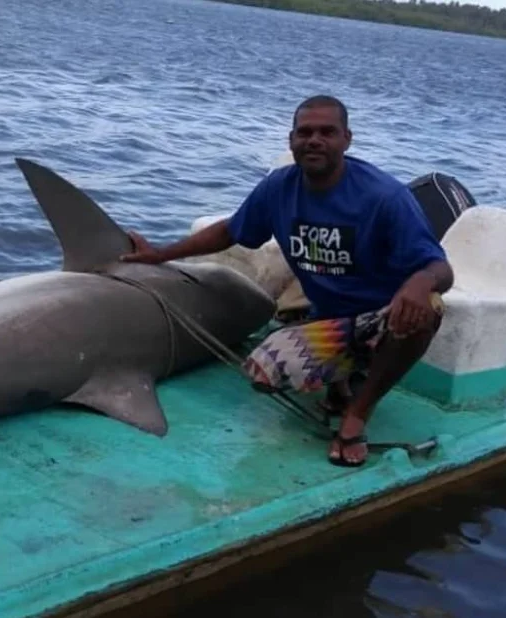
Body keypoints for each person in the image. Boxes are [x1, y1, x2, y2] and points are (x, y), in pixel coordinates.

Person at [120, 94, 453, 467]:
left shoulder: (384, 196)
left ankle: (357, 414)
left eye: (327, 132)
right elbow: (230, 231)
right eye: (304, 132)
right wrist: (160, 255)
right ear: (290, 140)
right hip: (330, 319)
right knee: (263, 373)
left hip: (383, 317)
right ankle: (341, 383)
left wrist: (420, 283)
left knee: (427, 309)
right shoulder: (279, 188)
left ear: (347, 139)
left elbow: (442, 269)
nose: (314, 140)